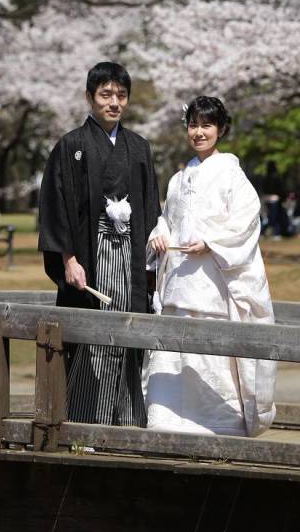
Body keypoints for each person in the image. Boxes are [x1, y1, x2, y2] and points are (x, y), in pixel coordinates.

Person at [144, 95, 276, 437]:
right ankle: (166, 420)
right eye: (193, 125)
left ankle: (219, 425)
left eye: (206, 125)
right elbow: (167, 220)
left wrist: (211, 242)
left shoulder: (232, 175)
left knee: (210, 354)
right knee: (174, 352)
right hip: (178, 283)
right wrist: (159, 236)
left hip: (212, 282)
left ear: (221, 130)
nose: (199, 132)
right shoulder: (178, 179)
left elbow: (246, 222)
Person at [37, 61, 160, 426]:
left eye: (121, 95)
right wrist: (69, 260)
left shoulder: (138, 147)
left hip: (131, 258)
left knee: (129, 331)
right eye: (106, 94)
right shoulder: (71, 146)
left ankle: (128, 421)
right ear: (89, 97)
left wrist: (150, 267)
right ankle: (86, 423)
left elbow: (150, 208)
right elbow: (57, 208)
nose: (114, 102)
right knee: (93, 336)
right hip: (90, 258)